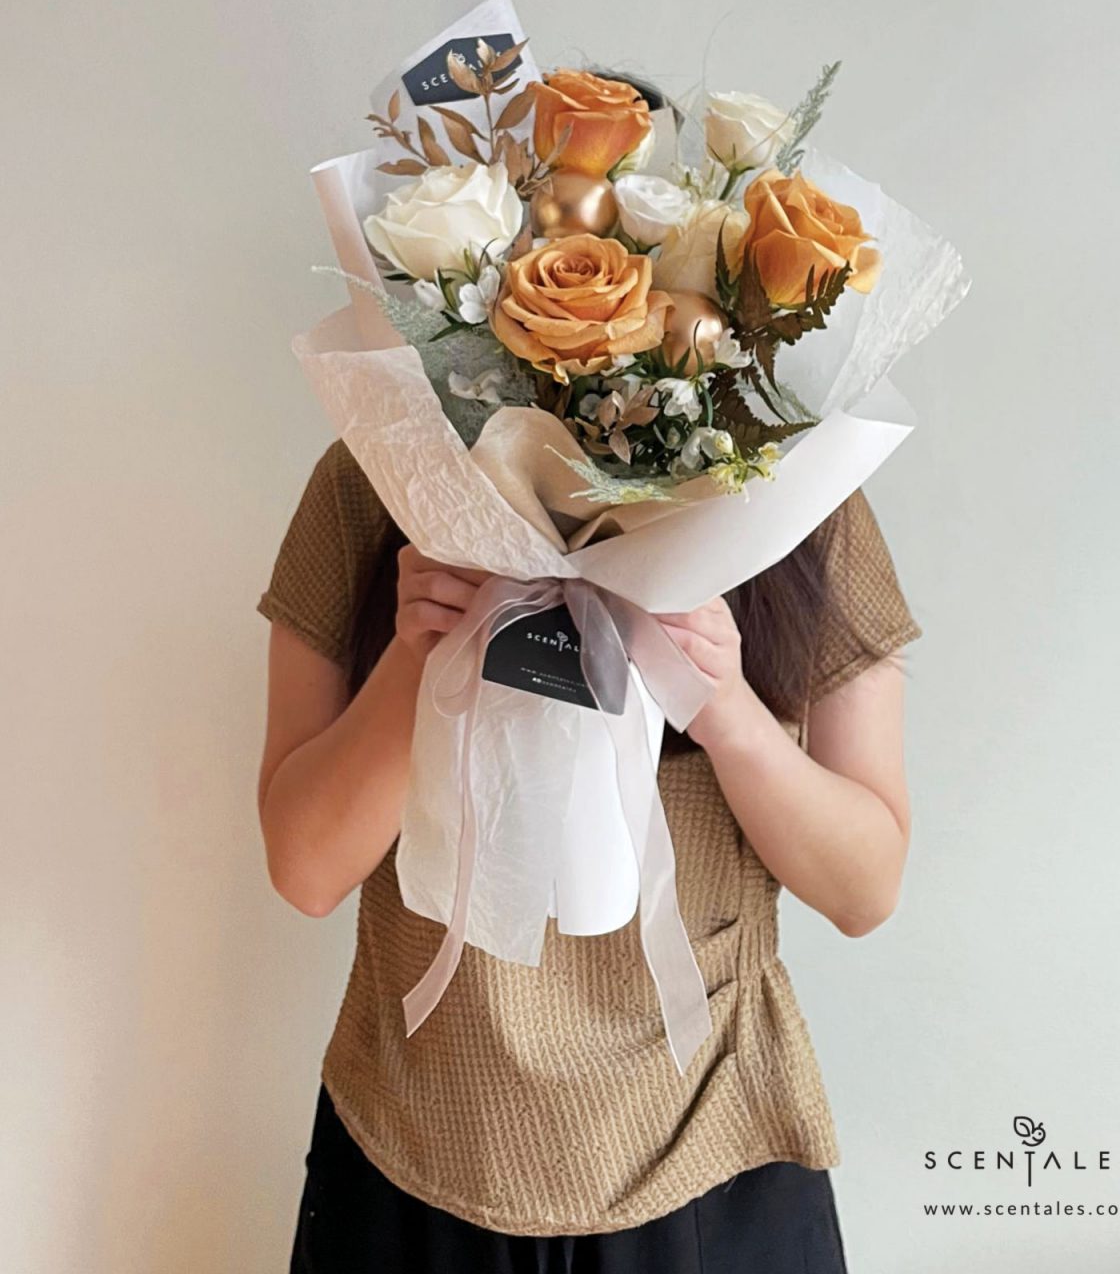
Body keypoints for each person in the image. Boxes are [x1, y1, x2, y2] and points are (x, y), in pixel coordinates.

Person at [256, 425, 921, 1272]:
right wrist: (424, 650)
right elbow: (304, 869)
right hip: (413, 1140)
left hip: (707, 1148)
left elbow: (866, 889)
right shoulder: (382, 465)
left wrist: (721, 704)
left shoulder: (800, 488)